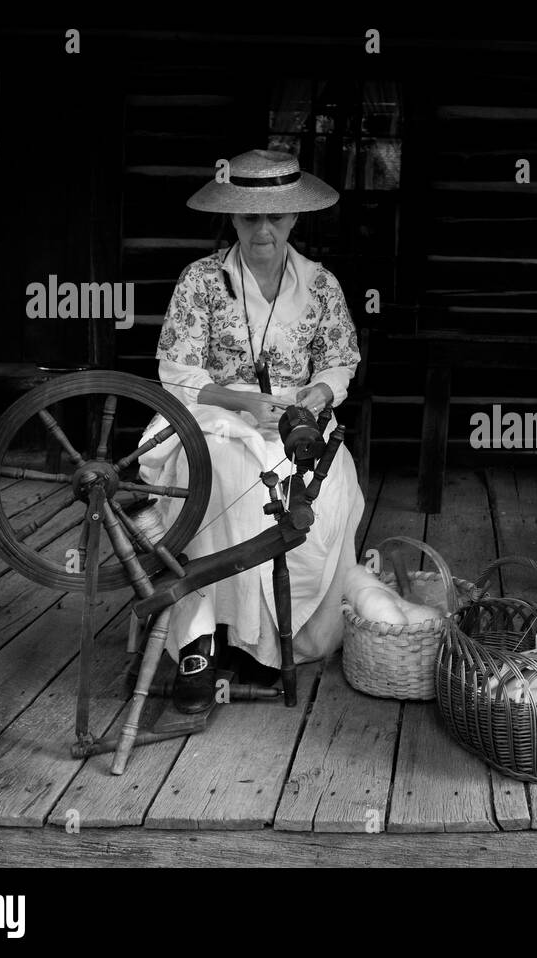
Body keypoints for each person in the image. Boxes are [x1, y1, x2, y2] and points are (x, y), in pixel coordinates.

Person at [136, 149, 365, 713]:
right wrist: (238, 401)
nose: (263, 229)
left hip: (297, 421)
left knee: (327, 485)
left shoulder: (321, 285)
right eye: (248, 218)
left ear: (294, 219)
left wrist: (319, 393)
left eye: (276, 218)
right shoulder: (202, 281)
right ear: (232, 220)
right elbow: (177, 373)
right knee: (220, 469)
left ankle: (265, 636)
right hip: (212, 414)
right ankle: (201, 641)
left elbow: (340, 361)